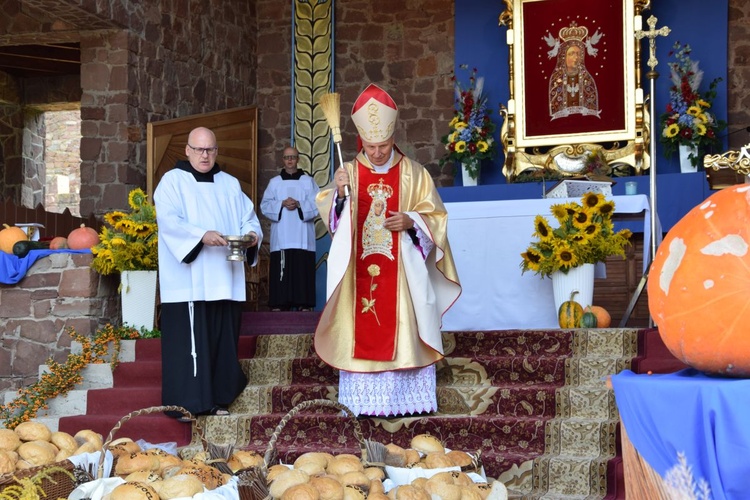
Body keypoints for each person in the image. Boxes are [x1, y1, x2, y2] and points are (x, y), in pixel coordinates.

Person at [314, 84, 462, 417]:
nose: (377, 152)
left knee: (404, 328)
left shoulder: (414, 174)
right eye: (370, 146)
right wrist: (339, 195)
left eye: (382, 145)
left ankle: (405, 400)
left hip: (402, 275)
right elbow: (334, 223)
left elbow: (436, 217)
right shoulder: (348, 173)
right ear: (361, 141)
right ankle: (361, 403)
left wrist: (410, 221)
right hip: (358, 275)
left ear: (393, 138)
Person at [154, 126, 262, 419]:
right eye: (199, 149)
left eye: (211, 149)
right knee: (192, 344)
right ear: (187, 150)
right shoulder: (172, 182)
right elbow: (168, 220)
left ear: (216, 151)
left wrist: (251, 235)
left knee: (220, 341)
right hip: (190, 281)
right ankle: (186, 404)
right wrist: (201, 235)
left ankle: (218, 399)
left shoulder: (229, 184)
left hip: (225, 278)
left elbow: (248, 219)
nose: (205, 155)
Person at [260, 146, 319, 311]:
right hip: (282, 234)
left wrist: (300, 204)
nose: (290, 160)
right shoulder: (275, 183)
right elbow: (265, 205)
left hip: (303, 235)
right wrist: (281, 203)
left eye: (293, 157)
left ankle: (304, 303)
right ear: (283, 160)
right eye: (287, 157)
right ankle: (280, 303)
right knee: (282, 268)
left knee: (301, 268)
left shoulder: (308, 181)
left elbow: (318, 203)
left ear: (298, 159)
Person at [548, 25, 600, 120]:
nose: (576, 58)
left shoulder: (586, 78)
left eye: (578, 54)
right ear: (563, 57)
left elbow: (591, 104)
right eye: (571, 54)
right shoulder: (556, 79)